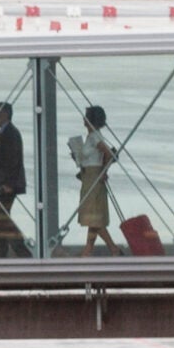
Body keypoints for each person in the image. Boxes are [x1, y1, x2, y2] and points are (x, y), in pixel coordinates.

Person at [71, 105, 117, 254]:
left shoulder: (95, 137)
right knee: (93, 215)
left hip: (93, 176)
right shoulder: (91, 137)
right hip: (88, 175)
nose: (83, 119)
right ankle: (88, 249)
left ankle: (112, 248)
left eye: (86, 117)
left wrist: (103, 171)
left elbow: (109, 153)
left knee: (93, 216)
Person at [0, 100, 29, 257]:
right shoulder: (4, 132)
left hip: (6, 185)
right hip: (0, 184)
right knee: (0, 220)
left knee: (2, 219)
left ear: (4, 114)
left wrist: (8, 184)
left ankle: (23, 251)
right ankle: (1, 254)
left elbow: (13, 160)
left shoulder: (11, 133)